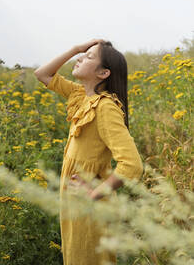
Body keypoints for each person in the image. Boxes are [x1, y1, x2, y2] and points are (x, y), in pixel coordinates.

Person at [34, 39, 143, 265]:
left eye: (89, 57)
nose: (80, 58)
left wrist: (93, 194)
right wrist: (76, 48)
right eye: (83, 54)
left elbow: (132, 165)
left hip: (90, 207)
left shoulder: (105, 107)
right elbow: (42, 74)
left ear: (103, 73)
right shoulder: (81, 96)